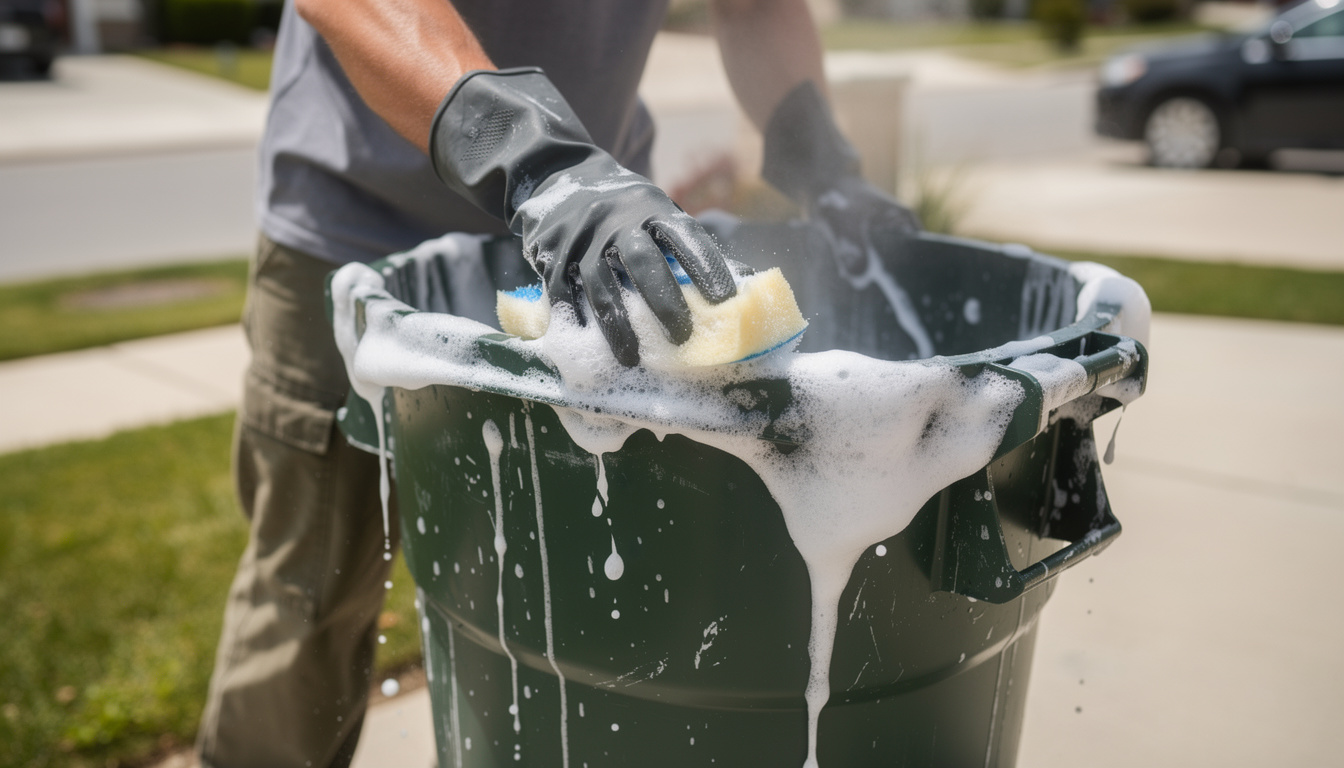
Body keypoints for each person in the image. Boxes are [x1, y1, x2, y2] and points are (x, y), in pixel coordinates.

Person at [196, 1, 919, 766]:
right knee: (313, 592)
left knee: (593, 607)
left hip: (585, 254)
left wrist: (824, 165)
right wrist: (533, 160)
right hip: (360, 228)